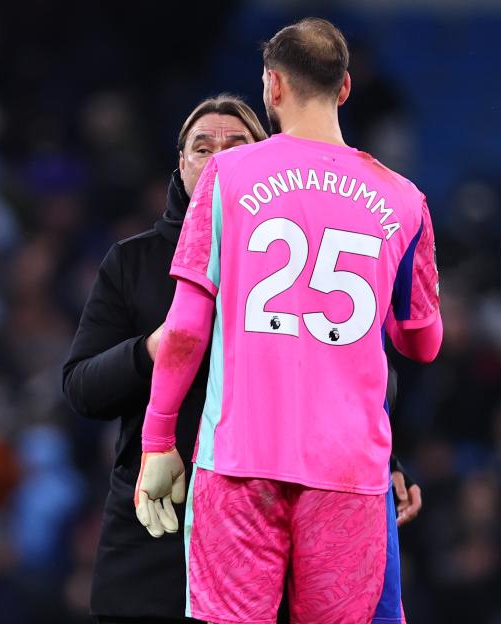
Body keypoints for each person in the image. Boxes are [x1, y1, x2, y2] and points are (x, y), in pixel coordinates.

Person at [64, 94, 420, 623]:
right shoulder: (133, 261)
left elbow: (361, 368)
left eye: (236, 145)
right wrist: (152, 349)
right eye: (201, 148)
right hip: (157, 523)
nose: (218, 158)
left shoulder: (299, 251)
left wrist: (382, 464)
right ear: (180, 165)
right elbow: (81, 389)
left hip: (267, 520)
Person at [135, 18, 441, 624]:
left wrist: (158, 439)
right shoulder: (405, 200)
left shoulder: (225, 177)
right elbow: (422, 341)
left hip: (238, 461)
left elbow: (188, 328)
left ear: (271, 87)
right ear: (346, 88)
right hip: (348, 472)